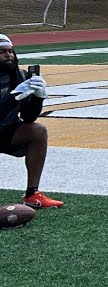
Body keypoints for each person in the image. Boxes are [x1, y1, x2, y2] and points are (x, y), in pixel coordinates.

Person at [0, 34, 63, 210]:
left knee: (38, 131)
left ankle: (32, 194)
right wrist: (14, 97)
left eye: (10, 51)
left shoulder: (19, 76)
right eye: (2, 52)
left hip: (6, 131)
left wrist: (37, 97)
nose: (8, 55)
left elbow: (28, 117)